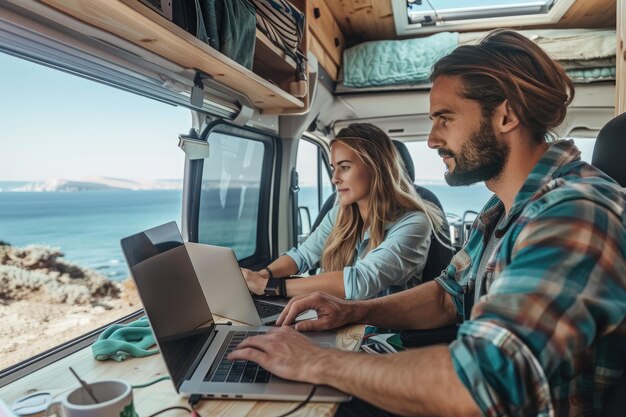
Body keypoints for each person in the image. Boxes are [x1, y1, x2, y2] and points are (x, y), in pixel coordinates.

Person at [229, 29, 626, 417]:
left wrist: (314, 362)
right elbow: (447, 295)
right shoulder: (502, 209)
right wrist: (353, 312)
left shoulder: (573, 212)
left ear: (506, 115)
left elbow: (481, 383)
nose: (433, 139)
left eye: (445, 119)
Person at [242, 123, 447, 300]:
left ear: (375, 167)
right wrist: (263, 275)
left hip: (383, 336)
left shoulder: (415, 223)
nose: (335, 178)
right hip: (336, 321)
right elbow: (302, 257)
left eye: (345, 167)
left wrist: (270, 287)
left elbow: (360, 281)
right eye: (333, 168)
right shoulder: (340, 214)